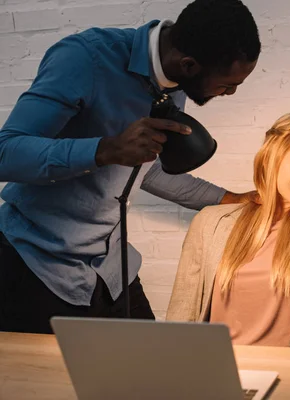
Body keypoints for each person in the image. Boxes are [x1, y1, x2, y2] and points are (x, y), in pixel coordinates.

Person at [0, 0, 261, 334]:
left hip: (108, 266)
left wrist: (231, 199)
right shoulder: (84, 59)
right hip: (36, 267)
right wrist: (105, 149)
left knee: (153, 374)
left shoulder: (174, 82)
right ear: (189, 64)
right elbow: (6, 151)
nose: (232, 92)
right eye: (227, 84)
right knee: (52, 385)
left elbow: (144, 168)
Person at [166, 112, 290, 349]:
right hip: (214, 370)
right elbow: (182, 315)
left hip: (288, 374)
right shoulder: (209, 224)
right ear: (271, 160)